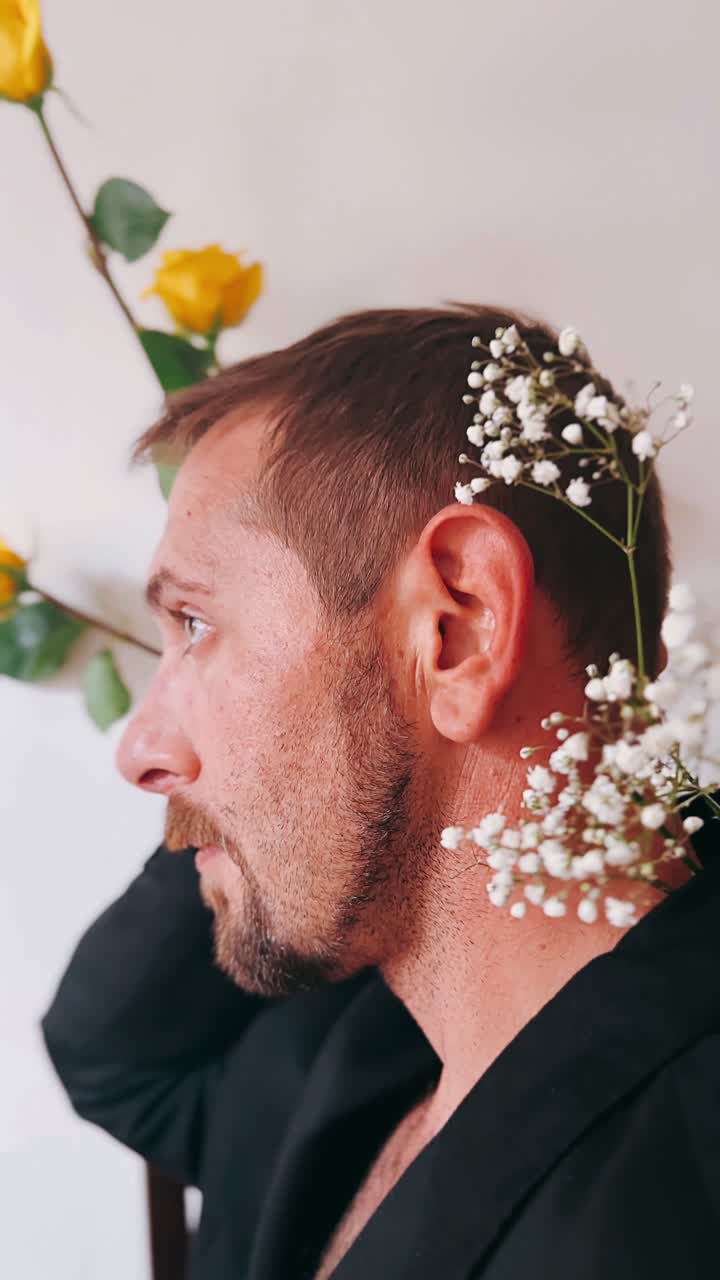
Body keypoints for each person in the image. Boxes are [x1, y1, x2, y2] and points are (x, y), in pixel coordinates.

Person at [42, 306, 720, 1279]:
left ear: (459, 624)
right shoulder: (356, 1045)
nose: (140, 752)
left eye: (195, 621)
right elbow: (106, 1050)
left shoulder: (669, 1204)